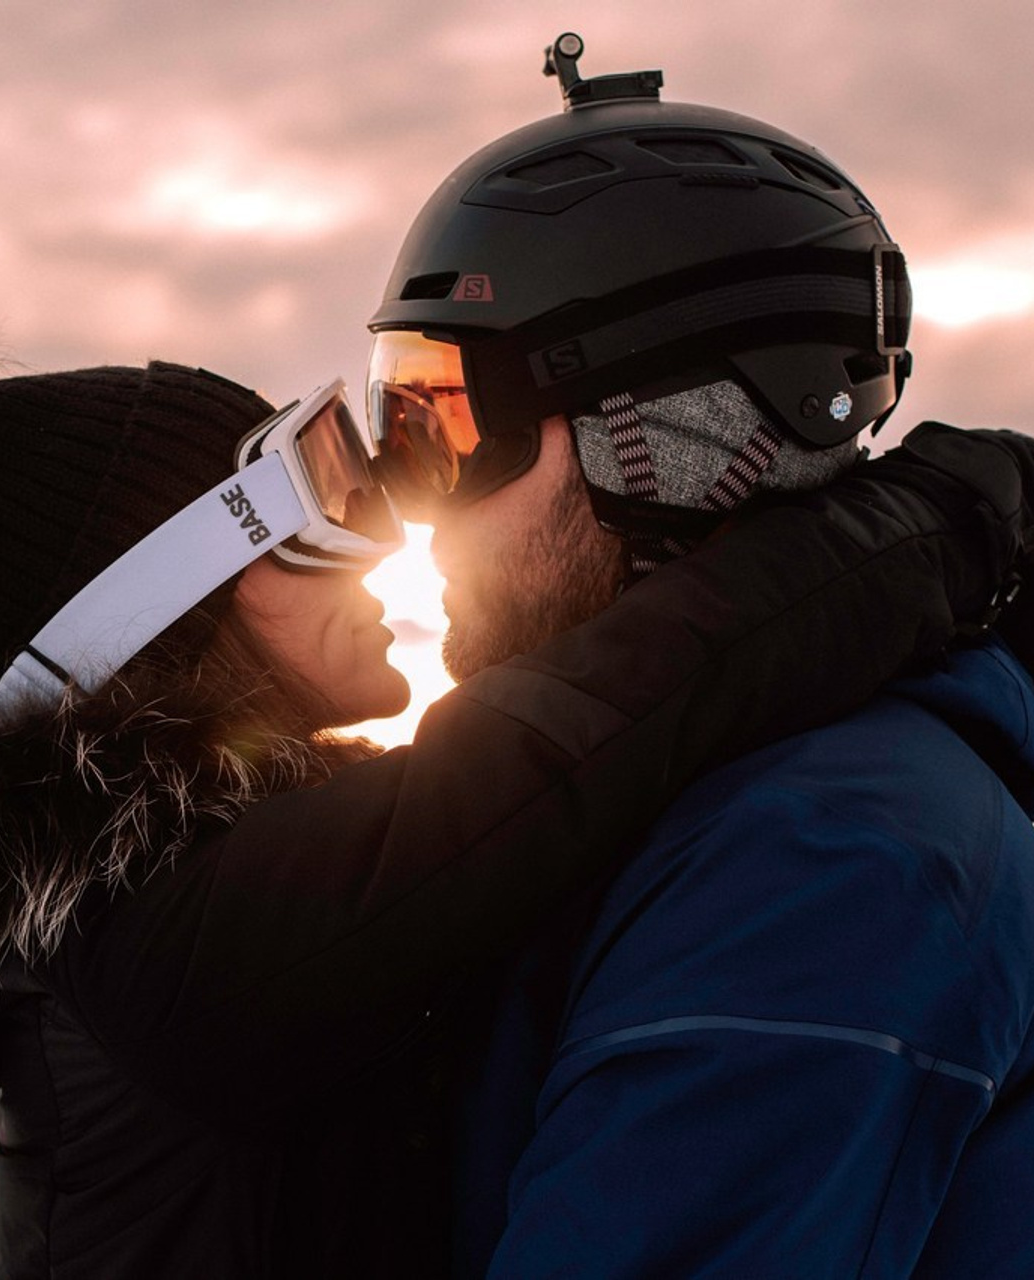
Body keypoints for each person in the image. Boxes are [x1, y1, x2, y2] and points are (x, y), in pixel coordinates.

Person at [0, 281, 1023, 1280]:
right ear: (156, 605)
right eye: (316, 497)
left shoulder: (189, 866)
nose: (386, 540)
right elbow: (602, 722)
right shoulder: (165, 920)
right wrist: (920, 526)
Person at [363, 32, 1034, 1277]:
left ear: (659, 443)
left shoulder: (826, 862)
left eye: (451, 424)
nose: (419, 505)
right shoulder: (687, 797)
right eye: (395, 412)